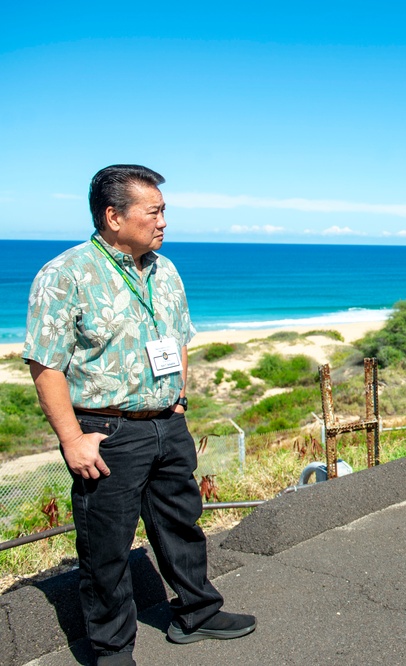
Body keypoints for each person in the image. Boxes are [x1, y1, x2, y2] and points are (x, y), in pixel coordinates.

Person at [24, 165, 256, 666]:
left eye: (163, 210)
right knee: (106, 547)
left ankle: (198, 612)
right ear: (113, 216)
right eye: (154, 211)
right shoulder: (65, 275)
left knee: (182, 524)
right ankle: (111, 651)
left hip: (167, 422)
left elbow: (180, 338)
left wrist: (178, 399)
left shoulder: (164, 269)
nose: (163, 221)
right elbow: (46, 365)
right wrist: (72, 440)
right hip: (105, 432)